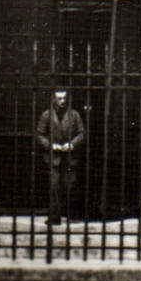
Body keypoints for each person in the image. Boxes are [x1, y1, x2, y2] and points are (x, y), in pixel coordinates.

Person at [36, 88, 86, 226]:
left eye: (64, 98)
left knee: (71, 186)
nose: (62, 101)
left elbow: (82, 133)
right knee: (54, 187)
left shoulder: (74, 115)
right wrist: (51, 146)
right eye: (59, 98)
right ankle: (54, 216)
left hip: (70, 157)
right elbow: (39, 134)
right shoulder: (46, 115)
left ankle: (73, 215)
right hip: (54, 157)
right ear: (53, 99)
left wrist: (71, 144)